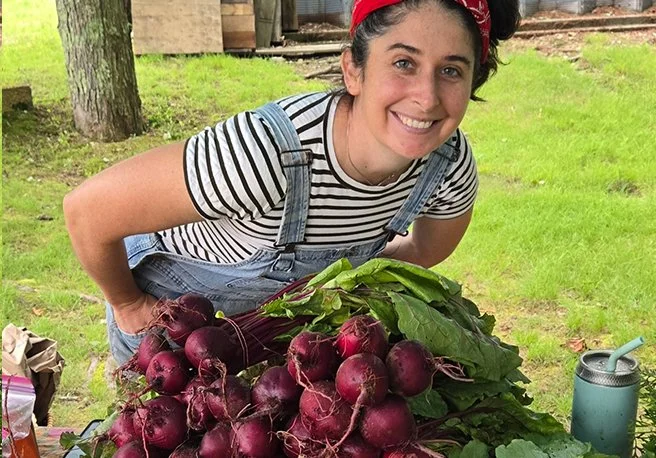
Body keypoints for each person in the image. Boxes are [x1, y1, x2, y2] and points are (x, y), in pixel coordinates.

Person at [63, 0, 521, 364]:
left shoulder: (446, 163)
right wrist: (127, 305)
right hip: (171, 321)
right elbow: (88, 211)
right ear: (353, 71)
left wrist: (341, 285)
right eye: (404, 63)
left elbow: (423, 251)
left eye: (450, 70)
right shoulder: (268, 154)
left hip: (281, 335)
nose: (426, 97)